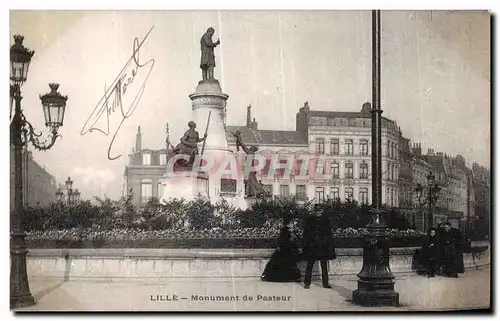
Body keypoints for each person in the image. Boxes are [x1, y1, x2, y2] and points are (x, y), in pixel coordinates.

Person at [302, 204, 336, 289]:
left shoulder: (326, 220)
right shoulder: (310, 220)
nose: (318, 212)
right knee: (310, 265)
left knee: (324, 266)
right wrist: (307, 244)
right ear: (314, 211)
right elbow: (305, 233)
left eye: (319, 210)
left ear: (322, 211)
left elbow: (329, 234)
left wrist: (328, 245)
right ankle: (307, 283)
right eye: (316, 211)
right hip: (312, 246)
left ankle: (325, 283)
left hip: (322, 247)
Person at [261, 216, 301, 282]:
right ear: (289, 223)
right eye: (292, 222)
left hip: (288, 250)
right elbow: (283, 240)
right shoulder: (285, 230)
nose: (293, 223)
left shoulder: (290, 230)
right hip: (286, 250)